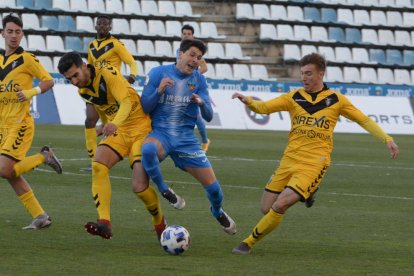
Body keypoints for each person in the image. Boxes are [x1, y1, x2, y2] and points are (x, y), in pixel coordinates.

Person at [231, 53, 400, 254]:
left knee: (281, 204)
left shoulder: (337, 100)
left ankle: (248, 242)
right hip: (289, 160)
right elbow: (264, 108)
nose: (304, 78)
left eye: (309, 73)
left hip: (314, 163)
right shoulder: (293, 97)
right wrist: (248, 100)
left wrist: (387, 139)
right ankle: (306, 193)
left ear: (321, 73)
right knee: (266, 209)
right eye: (302, 73)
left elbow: (363, 120)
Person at [58, 52, 166, 240]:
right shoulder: (82, 90)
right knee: (98, 166)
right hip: (119, 131)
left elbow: (125, 102)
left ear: (84, 66)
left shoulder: (107, 73)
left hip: (141, 127)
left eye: (75, 75)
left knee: (139, 188)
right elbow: (104, 108)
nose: (74, 81)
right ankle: (104, 222)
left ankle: (158, 221)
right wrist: (104, 125)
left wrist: (113, 123)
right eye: (69, 79)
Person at [140, 39, 236, 235]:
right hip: (162, 134)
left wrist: (201, 103)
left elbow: (208, 115)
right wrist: (159, 91)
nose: (195, 60)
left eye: (199, 58)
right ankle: (165, 190)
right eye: (192, 55)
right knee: (148, 149)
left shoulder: (199, 80)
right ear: (180, 54)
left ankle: (217, 211)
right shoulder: (158, 73)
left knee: (215, 190)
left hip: (186, 140)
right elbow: (145, 107)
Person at [0, 14, 63, 230]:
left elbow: (48, 81)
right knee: (9, 172)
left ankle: (43, 157)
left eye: (18, 32)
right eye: (10, 31)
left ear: (22, 34)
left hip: (20, 123)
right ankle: (40, 215)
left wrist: (30, 92)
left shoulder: (27, 58)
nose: (14, 36)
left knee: (4, 168)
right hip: (2, 125)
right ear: (2, 33)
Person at [80, 15, 139, 172]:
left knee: (110, 125)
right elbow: (90, 67)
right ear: (96, 26)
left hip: (111, 89)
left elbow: (132, 62)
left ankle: (120, 152)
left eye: (106, 24)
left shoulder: (116, 44)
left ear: (110, 27)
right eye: (100, 24)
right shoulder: (91, 46)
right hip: (94, 88)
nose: (103, 26)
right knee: (89, 121)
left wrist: (132, 75)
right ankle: (93, 160)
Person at [177, 24, 210, 152]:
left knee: (195, 114)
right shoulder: (180, 50)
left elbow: (204, 68)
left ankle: (205, 141)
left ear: (192, 36)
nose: (186, 36)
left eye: (188, 34)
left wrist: (192, 77)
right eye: (184, 33)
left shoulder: (196, 53)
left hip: (192, 86)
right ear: (181, 35)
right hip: (181, 85)